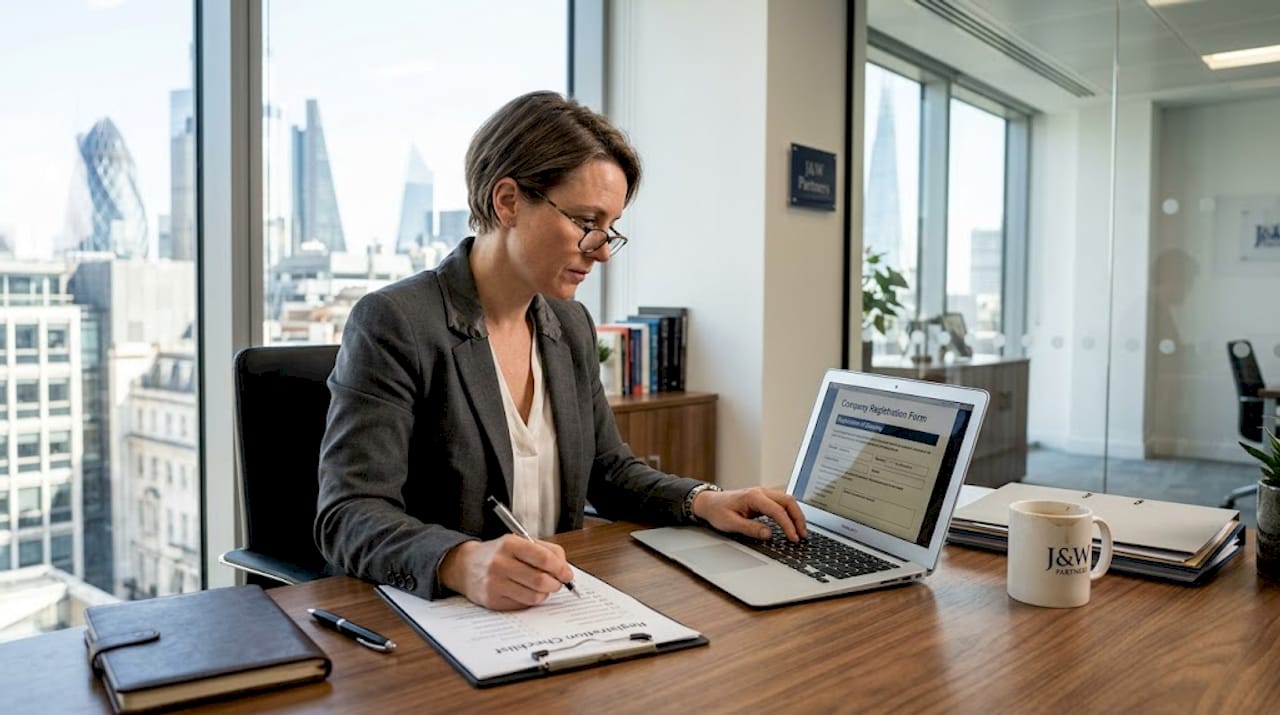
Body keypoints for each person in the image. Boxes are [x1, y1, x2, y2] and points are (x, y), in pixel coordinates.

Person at [315, 90, 805, 611]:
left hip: (554, 609)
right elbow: (349, 512)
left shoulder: (568, 324)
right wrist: (459, 561)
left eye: (609, 230)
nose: (601, 251)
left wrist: (704, 500)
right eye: (585, 223)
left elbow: (610, 471)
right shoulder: (396, 321)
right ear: (507, 201)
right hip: (434, 617)